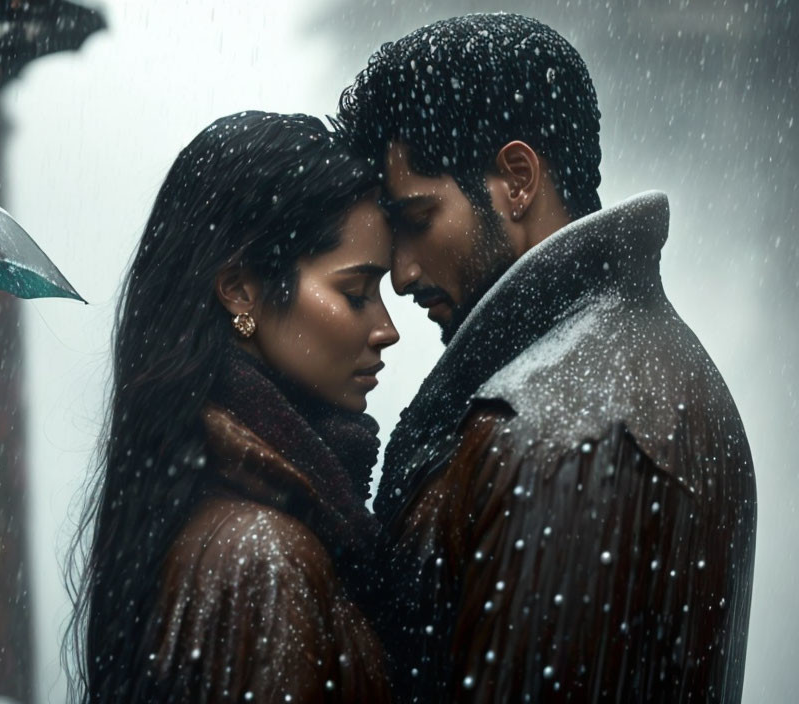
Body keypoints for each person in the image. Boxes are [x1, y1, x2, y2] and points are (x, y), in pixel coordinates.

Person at [337, 13, 756, 703]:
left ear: (518, 178)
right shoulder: (625, 368)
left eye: (416, 222)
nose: (403, 273)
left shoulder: (562, 435)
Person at [68, 112, 398, 703]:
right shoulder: (268, 559)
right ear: (241, 289)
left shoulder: (211, 501)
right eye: (355, 293)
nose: (386, 329)